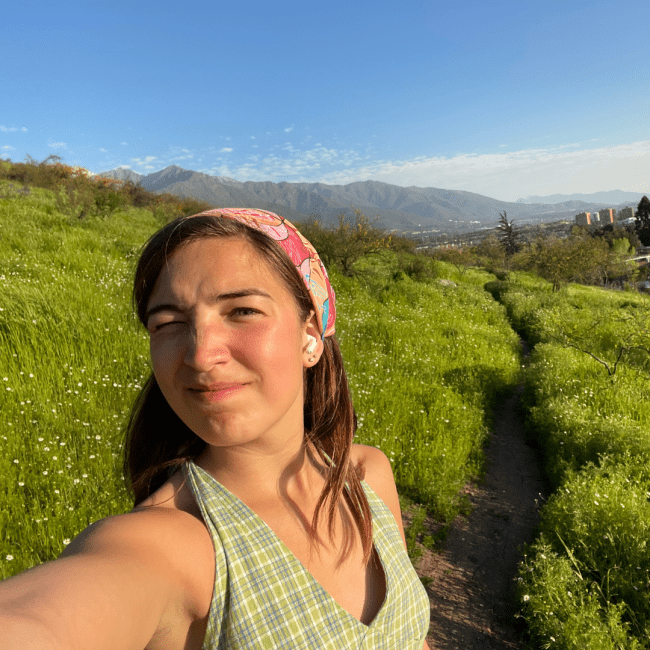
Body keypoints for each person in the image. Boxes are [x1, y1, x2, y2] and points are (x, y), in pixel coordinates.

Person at [0, 208, 431, 649]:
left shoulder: (366, 476)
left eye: (242, 310)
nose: (201, 354)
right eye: (168, 323)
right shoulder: (170, 545)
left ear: (310, 336)